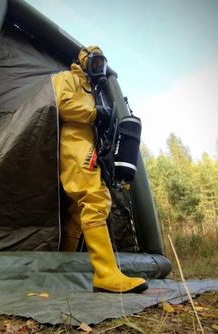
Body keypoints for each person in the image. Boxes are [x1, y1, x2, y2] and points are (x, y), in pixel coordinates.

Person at [52, 46, 148, 293]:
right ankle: (106, 274)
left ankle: (64, 268)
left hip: (91, 146)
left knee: (77, 213)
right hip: (75, 145)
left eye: (102, 65)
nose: (99, 69)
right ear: (83, 62)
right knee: (94, 199)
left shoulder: (95, 91)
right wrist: (95, 113)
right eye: (95, 63)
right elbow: (62, 105)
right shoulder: (68, 78)